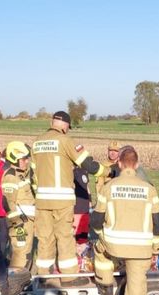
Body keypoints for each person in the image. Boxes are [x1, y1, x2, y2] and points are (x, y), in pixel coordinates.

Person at [91, 147, 159, 295]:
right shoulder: (150, 190)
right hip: (141, 249)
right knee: (136, 287)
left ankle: (106, 284)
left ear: (120, 164)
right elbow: (157, 223)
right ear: (137, 165)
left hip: (113, 245)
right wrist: (157, 248)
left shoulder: (108, 187)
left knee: (99, 252)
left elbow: (96, 220)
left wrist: (102, 235)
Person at [32, 111, 106, 285]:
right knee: (65, 237)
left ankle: (45, 276)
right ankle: (69, 277)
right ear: (64, 125)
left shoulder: (37, 141)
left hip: (42, 200)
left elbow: (33, 174)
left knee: (45, 238)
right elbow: (86, 164)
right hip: (62, 200)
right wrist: (108, 171)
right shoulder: (65, 141)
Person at [0, 141, 36, 295]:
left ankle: (23, 283)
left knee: (27, 253)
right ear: (15, 159)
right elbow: (7, 202)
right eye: (24, 158)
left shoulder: (23, 173)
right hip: (20, 223)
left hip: (28, 221)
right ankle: (12, 287)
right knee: (20, 253)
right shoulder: (10, 176)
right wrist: (18, 221)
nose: (27, 161)